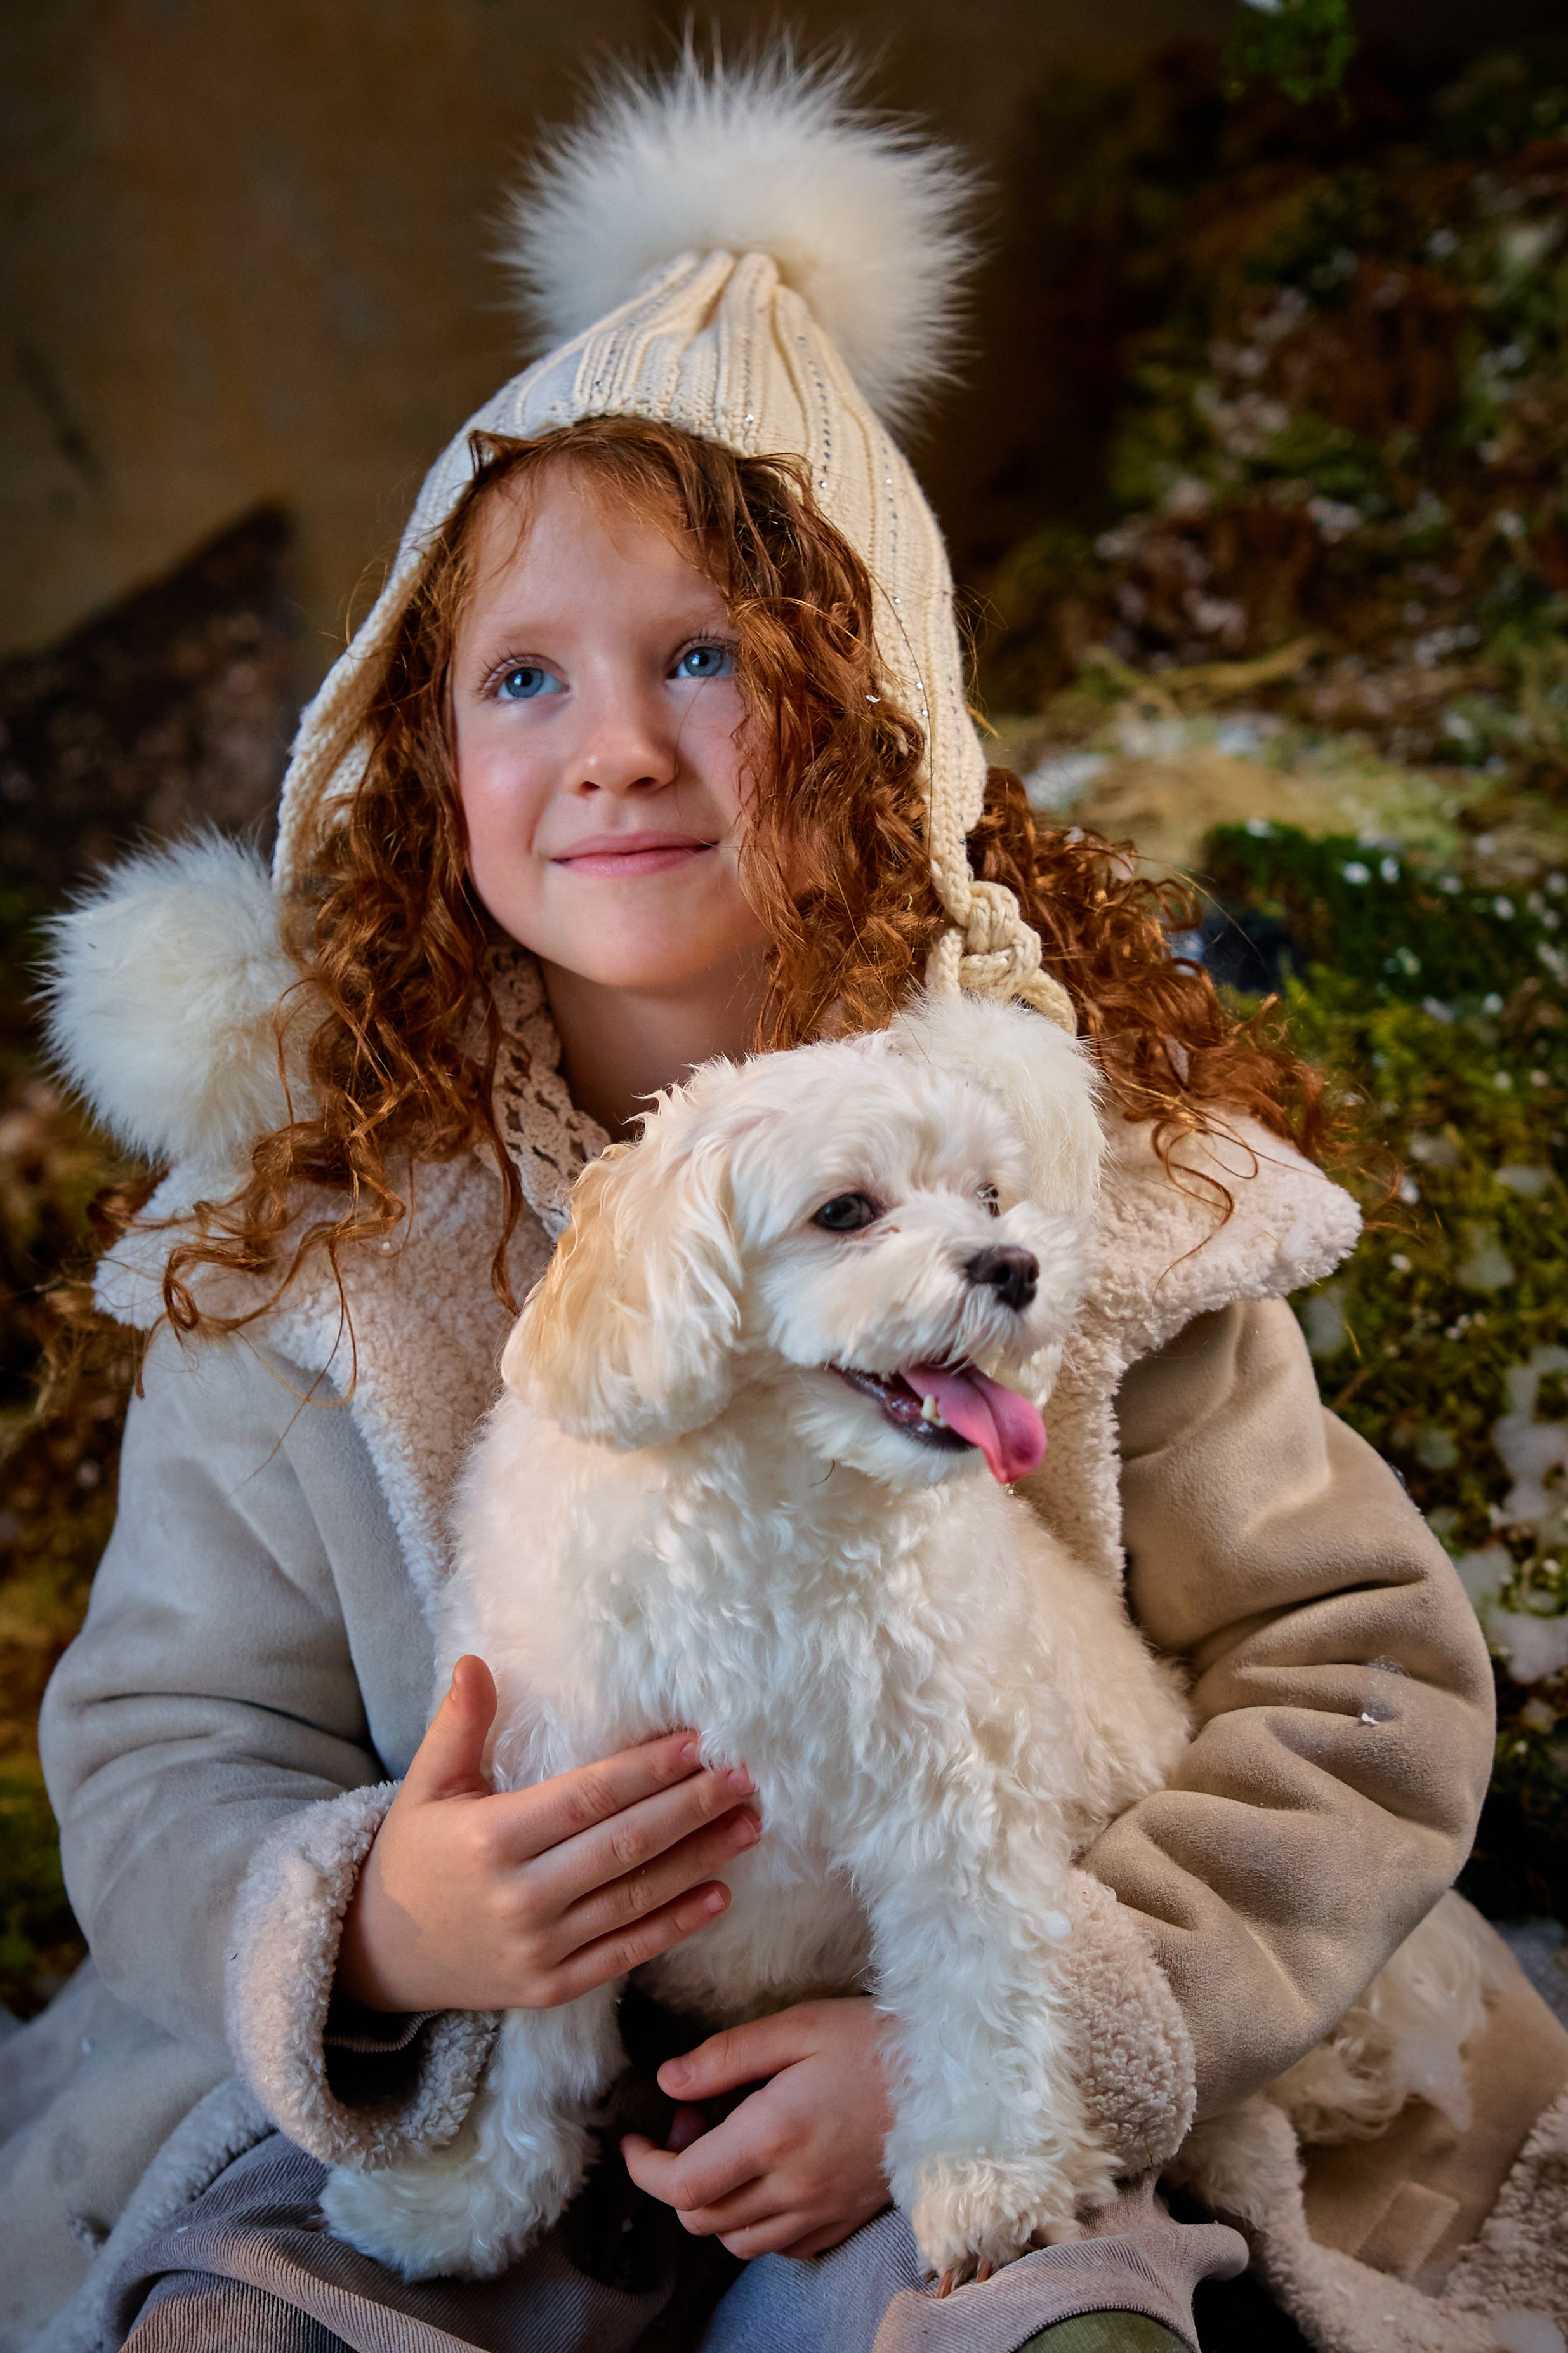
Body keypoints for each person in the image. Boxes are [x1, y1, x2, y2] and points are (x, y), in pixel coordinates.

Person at [4, 50, 1565, 2353]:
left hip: (943, 2068)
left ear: (880, 722)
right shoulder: (322, 1244)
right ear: (425, 765)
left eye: (709, 660)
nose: (614, 742)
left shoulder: (1081, 1189)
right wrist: (380, 1927)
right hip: (449, 2116)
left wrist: (996, 2025)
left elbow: (1359, 1680)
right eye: (521, 676)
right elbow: (163, 1741)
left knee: (1055, 2330)